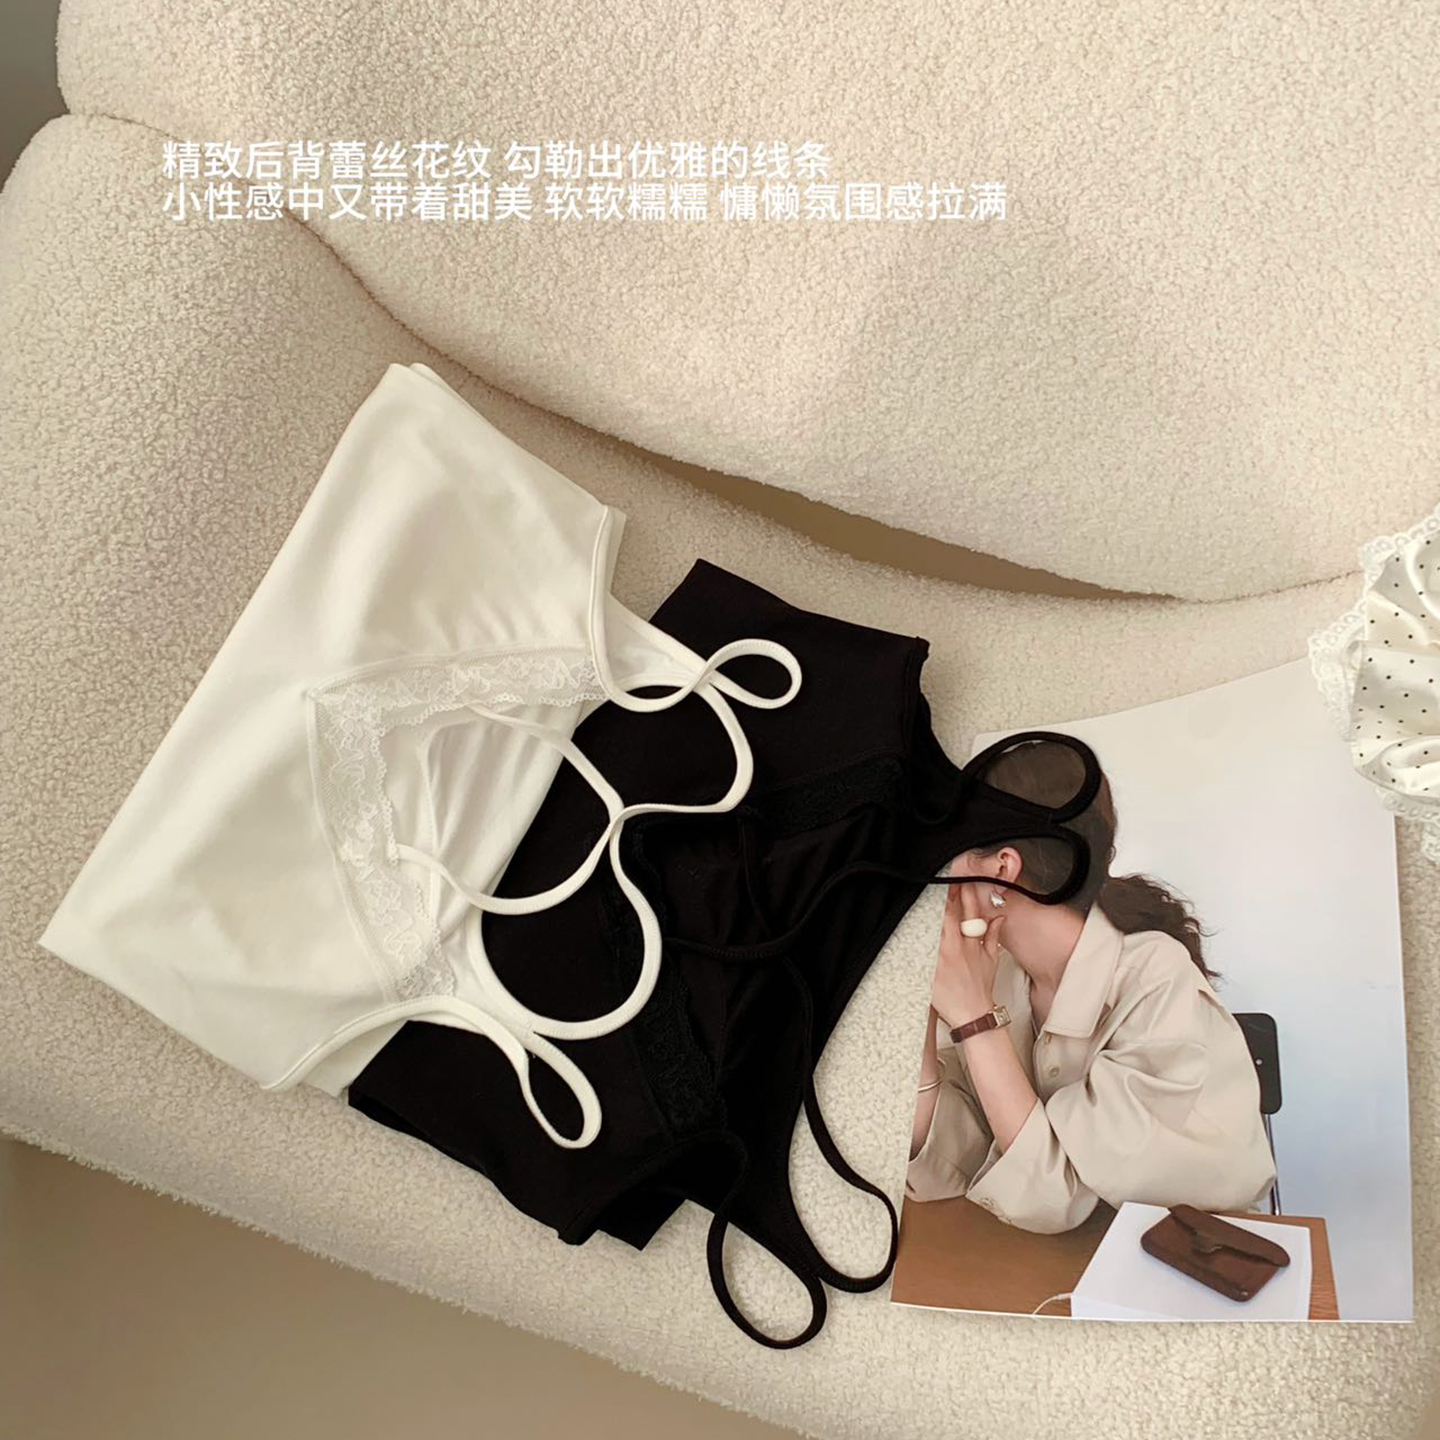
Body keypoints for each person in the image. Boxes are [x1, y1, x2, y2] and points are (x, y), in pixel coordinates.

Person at [907, 737, 1277, 1233]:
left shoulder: (1156, 978)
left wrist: (975, 1019)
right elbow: (949, 1163)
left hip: (1190, 1257)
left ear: (1002, 869)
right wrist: (922, 1003)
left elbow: (1054, 1197)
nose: (940, 877)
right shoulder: (998, 974)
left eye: (950, 852)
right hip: (1052, 1258)